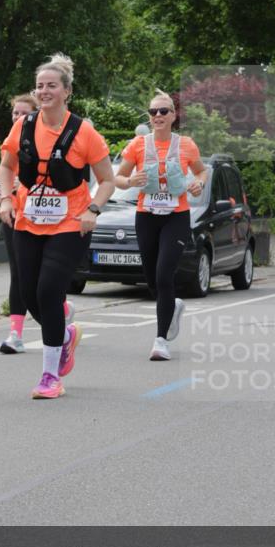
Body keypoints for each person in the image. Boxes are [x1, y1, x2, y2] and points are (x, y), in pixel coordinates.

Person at [0, 54, 115, 399]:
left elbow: (107, 180)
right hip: (28, 220)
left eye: (51, 86)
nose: (44, 91)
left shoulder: (84, 132)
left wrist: (94, 208)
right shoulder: (23, 126)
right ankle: (64, 335)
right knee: (30, 293)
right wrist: (7, 198)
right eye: (40, 86)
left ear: (67, 92)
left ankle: (50, 376)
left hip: (71, 222)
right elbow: (7, 166)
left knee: (49, 291)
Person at [114, 89, 208, 360]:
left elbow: (201, 170)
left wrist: (198, 183)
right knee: (152, 276)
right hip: (146, 215)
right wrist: (130, 182)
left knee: (164, 273)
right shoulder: (138, 145)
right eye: (153, 112)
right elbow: (118, 178)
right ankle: (172, 306)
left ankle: (160, 340)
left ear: (173, 115)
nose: (157, 116)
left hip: (176, 216)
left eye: (163, 111)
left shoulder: (186, 144)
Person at [0, 92, 75, 354]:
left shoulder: (51, 138)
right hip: (15, 216)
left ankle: (59, 313)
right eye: (15, 113)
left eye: (24, 113)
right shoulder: (14, 139)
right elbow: (6, 170)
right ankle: (16, 333)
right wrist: (0, 180)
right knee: (20, 275)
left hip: (49, 220)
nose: (18, 117)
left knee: (45, 279)